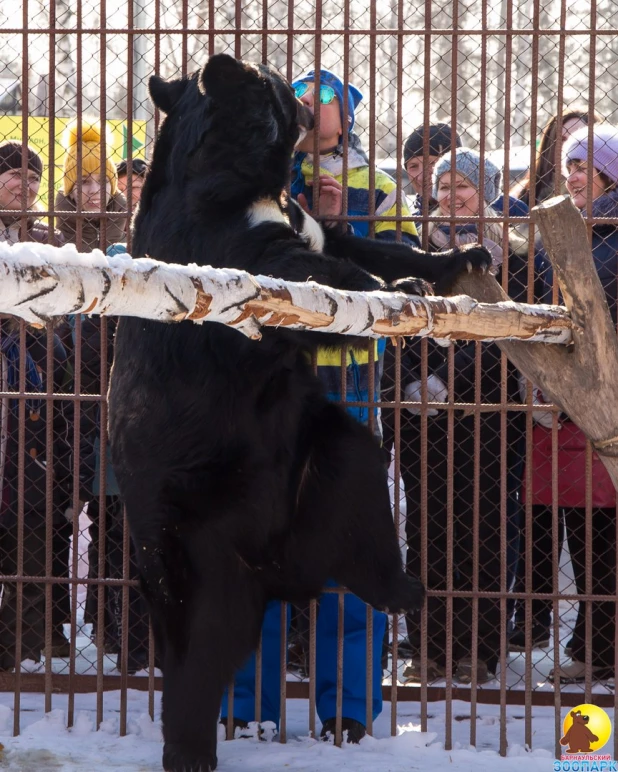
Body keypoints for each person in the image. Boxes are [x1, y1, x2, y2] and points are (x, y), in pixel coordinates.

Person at [221, 68, 419, 743]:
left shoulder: (382, 187)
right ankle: (247, 705)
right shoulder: (257, 184)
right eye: (301, 95)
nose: (313, 104)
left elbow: (401, 272)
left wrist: (342, 226)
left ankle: (349, 710)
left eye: (326, 94)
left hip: (350, 379)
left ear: (350, 110)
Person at [397, 148, 544, 684]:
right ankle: (429, 647)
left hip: (491, 412)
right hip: (421, 415)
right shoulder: (413, 249)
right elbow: (404, 319)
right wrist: (414, 378)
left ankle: (480, 650)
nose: (452, 196)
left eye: (464, 185)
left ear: (484, 191)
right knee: (427, 528)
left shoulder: (518, 254)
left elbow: (510, 329)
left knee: (486, 529)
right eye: (444, 186)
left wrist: (448, 377)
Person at [533, 125, 618, 684]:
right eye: (568, 166)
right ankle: (592, 646)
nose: (573, 176)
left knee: (603, 532)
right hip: (565, 395)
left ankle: (602, 649)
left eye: (585, 165)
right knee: (583, 527)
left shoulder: (610, 230)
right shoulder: (564, 225)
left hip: (604, 393)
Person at [0, 142, 73, 663]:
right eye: (13, 174)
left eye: (33, 177)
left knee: (28, 526)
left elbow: (62, 313)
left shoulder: (48, 240)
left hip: (32, 405)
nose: (25, 184)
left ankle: (18, 652)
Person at [55, 121, 127, 252]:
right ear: (70, 190)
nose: (94, 190)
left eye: (103, 181)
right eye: (83, 182)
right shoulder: (52, 240)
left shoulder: (133, 239)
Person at [513, 109, 601, 208]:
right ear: (549, 145)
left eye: (578, 140)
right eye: (562, 140)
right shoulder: (523, 194)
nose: (569, 147)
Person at [403, 122, 462, 208]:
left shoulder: (482, 217)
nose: (421, 177)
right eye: (413, 166)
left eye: (432, 163)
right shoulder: (409, 219)